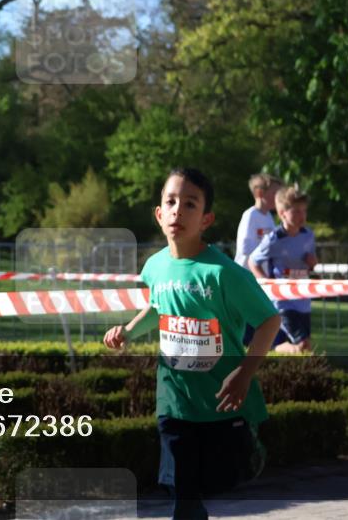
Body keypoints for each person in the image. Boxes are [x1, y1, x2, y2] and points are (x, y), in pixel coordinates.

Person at [103, 168, 280, 520]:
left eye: (189, 204)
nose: (177, 211)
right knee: (181, 487)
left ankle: (250, 449)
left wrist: (244, 374)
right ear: (158, 213)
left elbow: (269, 321)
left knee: (222, 476)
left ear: (206, 219)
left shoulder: (223, 273)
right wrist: (128, 330)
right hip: (174, 395)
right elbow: (158, 306)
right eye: (170, 202)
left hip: (221, 396)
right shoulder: (155, 266)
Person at [248, 185, 317, 353]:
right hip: (283, 301)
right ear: (282, 214)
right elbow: (253, 261)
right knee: (302, 343)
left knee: (305, 346)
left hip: (303, 300)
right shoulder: (273, 239)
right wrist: (266, 282)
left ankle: (276, 351)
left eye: (304, 211)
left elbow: (311, 263)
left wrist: (313, 262)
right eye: (296, 211)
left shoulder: (308, 235)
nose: (302, 216)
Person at [234, 173, 283, 269]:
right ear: (259, 193)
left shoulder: (269, 216)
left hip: (259, 272)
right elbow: (244, 247)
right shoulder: (250, 215)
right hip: (245, 273)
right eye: (275, 193)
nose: (278, 198)